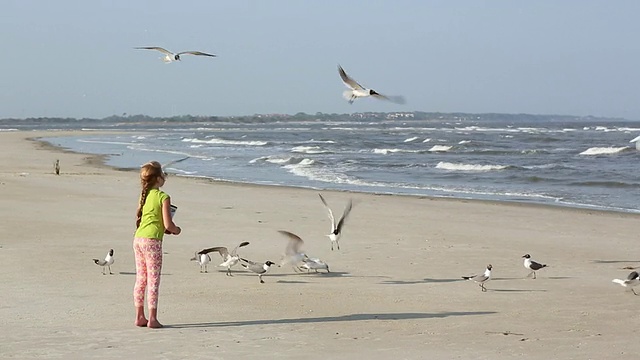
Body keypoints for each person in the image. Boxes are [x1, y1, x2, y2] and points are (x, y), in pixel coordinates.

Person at [133, 161, 181, 328]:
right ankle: (152, 318)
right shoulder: (163, 197)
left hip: (138, 239)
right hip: (152, 241)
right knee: (153, 280)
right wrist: (176, 230)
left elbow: (142, 218)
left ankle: (139, 316)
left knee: (141, 279)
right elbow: (169, 225)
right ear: (159, 178)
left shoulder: (144, 195)